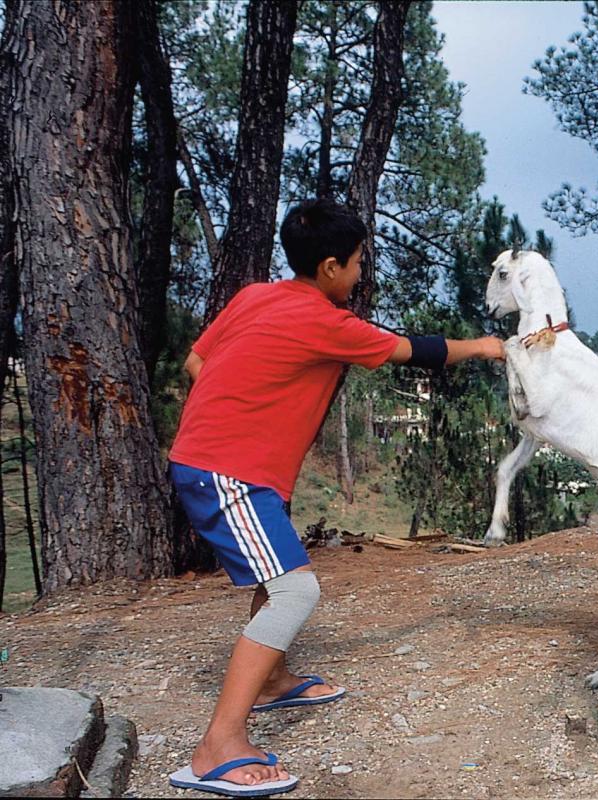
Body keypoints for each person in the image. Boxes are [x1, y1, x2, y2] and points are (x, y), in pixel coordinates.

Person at [166, 198, 505, 797]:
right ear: (329, 268)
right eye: (356, 263)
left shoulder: (254, 297)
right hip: (226, 470)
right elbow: (411, 351)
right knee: (297, 590)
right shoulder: (324, 321)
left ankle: (272, 682)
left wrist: (243, 406)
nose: (359, 272)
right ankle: (218, 745)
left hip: (228, 464)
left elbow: (197, 361)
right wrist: (483, 346)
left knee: (276, 577)